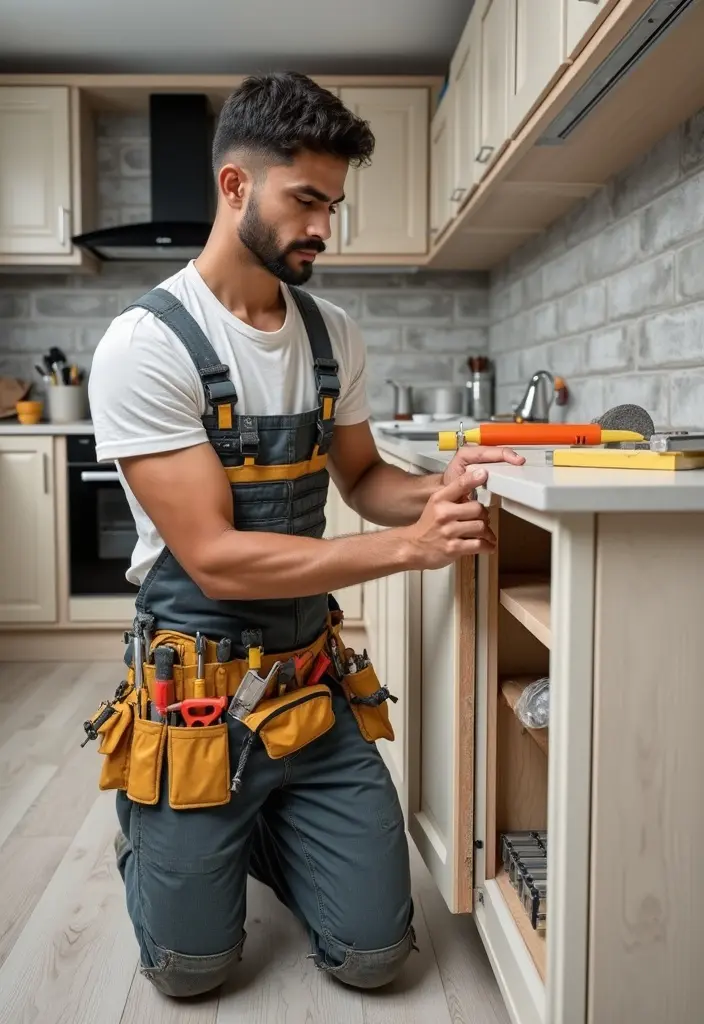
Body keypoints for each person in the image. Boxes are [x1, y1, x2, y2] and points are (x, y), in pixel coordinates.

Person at [88, 71, 525, 1000]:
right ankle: (165, 829)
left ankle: (261, 824)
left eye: (333, 203)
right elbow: (213, 556)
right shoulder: (147, 345)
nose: (324, 225)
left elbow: (364, 480)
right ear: (236, 187)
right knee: (189, 972)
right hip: (197, 700)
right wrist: (403, 551)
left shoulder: (333, 337)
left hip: (306, 688)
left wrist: (432, 497)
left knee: (375, 958)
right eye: (307, 199)